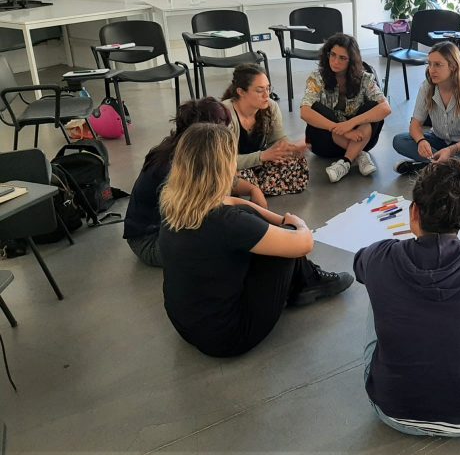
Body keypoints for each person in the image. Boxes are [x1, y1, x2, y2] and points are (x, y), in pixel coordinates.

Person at [354, 158, 460, 436]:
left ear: (414, 212)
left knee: (377, 281)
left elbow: (359, 265)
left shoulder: (381, 256)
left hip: (391, 410)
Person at [159, 123, 354, 357]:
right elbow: (304, 243)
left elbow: (232, 203)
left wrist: (276, 218)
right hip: (229, 337)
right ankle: (307, 281)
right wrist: (296, 223)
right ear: (223, 167)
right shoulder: (228, 223)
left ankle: (305, 279)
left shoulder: (175, 205)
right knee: (284, 246)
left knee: (260, 225)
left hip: (187, 327)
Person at [123, 97, 266, 267]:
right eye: (223, 129)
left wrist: (252, 189)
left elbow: (224, 184)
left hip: (168, 231)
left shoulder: (186, 151)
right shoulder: (172, 167)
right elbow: (202, 214)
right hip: (151, 241)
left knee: (240, 219)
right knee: (234, 234)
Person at [300, 33, 392, 183]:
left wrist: (349, 124)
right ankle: (359, 154)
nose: (335, 61)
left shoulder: (365, 78)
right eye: (333, 55)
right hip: (326, 143)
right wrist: (340, 129)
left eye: (342, 58)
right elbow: (304, 112)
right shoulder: (316, 77)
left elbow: (386, 108)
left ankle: (346, 162)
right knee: (315, 108)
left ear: (352, 61)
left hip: (361, 137)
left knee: (374, 106)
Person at [392, 41, 460, 174]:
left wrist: (450, 150)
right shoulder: (427, 87)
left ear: (453, 66)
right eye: (430, 64)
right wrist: (421, 141)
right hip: (438, 140)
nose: (431, 70)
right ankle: (448, 168)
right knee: (399, 140)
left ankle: (428, 167)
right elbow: (414, 125)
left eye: (438, 65)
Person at [222, 64, 309, 196]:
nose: (266, 95)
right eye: (259, 90)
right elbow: (222, 160)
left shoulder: (271, 107)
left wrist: (287, 150)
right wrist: (262, 156)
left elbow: (278, 139)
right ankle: (250, 186)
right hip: (229, 166)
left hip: (257, 165)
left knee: (297, 165)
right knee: (227, 176)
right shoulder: (225, 114)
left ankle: (250, 187)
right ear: (241, 92)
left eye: (268, 88)